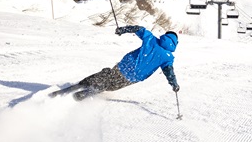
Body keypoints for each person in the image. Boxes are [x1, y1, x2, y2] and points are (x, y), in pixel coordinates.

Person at [50, 25, 179, 101]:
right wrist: (174, 84)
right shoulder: (168, 57)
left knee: (108, 75)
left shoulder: (151, 39)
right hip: (134, 77)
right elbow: (169, 72)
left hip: (125, 65)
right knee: (110, 85)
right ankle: (82, 95)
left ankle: (84, 84)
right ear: (175, 43)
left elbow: (138, 29)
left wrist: (123, 30)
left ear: (165, 36)